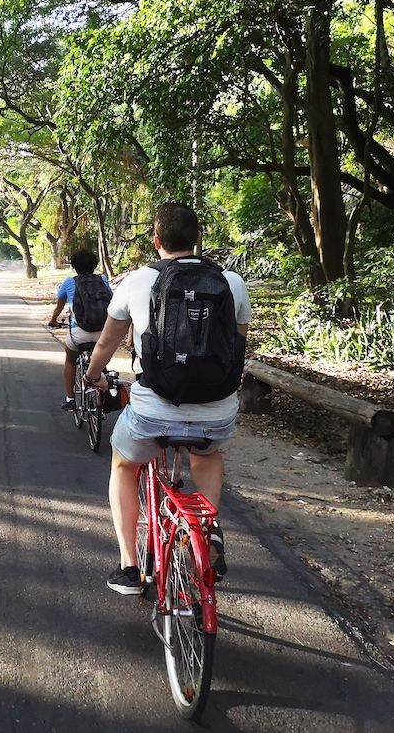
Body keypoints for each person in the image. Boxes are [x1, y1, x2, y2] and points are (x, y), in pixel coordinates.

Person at [82, 203, 251, 595]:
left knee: (123, 465)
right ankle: (207, 534)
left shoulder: (136, 282)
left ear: (156, 241)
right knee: (206, 454)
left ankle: (129, 567)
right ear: (198, 240)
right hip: (217, 412)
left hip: (152, 412)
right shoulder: (231, 282)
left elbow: (107, 341)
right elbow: (236, 346)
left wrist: (93, 377)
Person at [47, 250, 111, 412]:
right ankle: (101, 396)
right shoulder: (102, 280)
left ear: (74, 266)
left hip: (79, 334)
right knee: (101, 359)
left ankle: (70, 399)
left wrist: (53, 321)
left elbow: (59, 306)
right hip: (102, 334)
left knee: (70, 359)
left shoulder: (69, 282)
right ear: (94, 265)